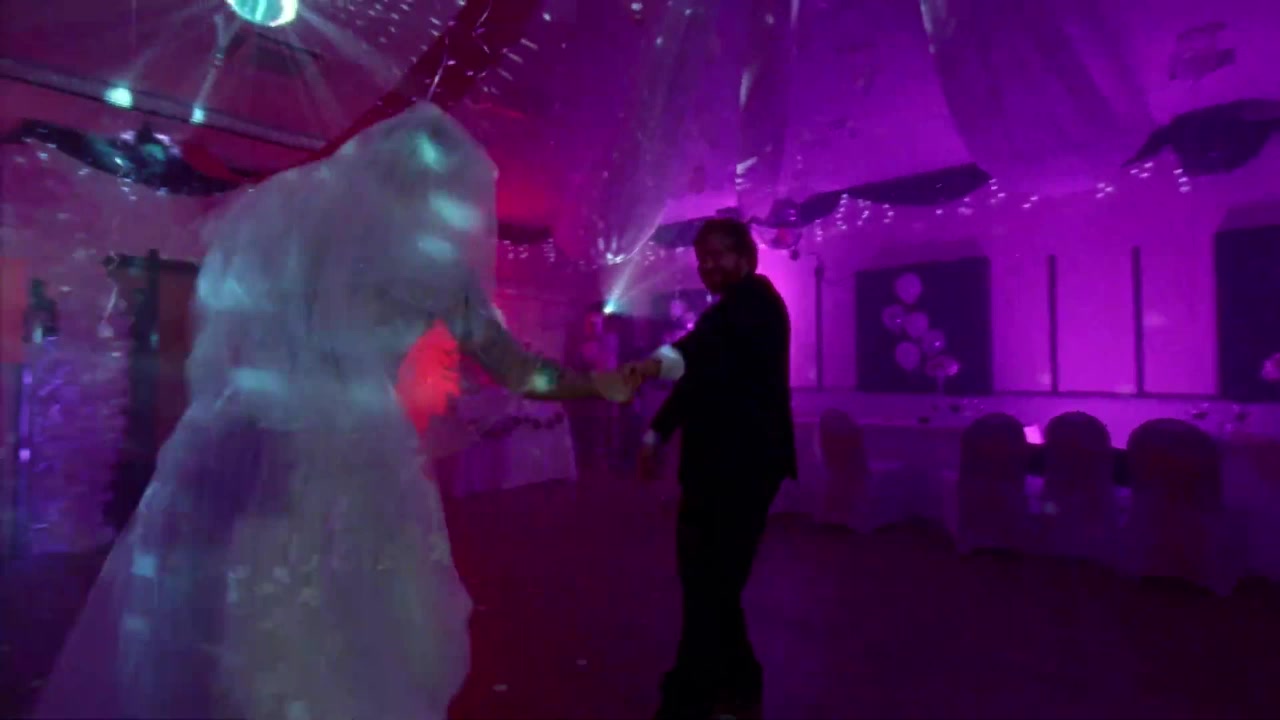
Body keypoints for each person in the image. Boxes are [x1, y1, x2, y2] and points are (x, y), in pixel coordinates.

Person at [33, 104, 635, 720]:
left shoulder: (287, 222)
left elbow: (228, 330)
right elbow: (518, 371)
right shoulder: (435, 263)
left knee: (238, 600)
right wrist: (598, 385)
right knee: (345, 616)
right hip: (356, 448)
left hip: (247, 429)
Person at [624, 218, 797, 720]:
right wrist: (657, 432)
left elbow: (696, 354)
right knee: (709, 585)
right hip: (715, 469)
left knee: (711, 584)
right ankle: (735, 684)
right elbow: (696, 377)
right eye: (702, 258)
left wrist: (650, 366)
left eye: (718, 254)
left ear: (745, 256)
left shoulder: (756, 303)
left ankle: (692, 694)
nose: (708, 265)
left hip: (743, 469)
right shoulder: (727, 313)